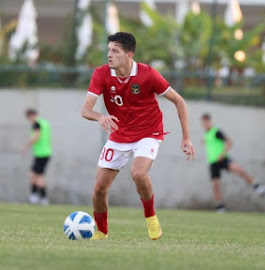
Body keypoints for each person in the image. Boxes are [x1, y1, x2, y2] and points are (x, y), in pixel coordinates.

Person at [81, 32, 195, 240]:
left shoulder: (148, 74)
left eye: (115, 51)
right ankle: (102, 232)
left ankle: (151, 217)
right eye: (109, 50)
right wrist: (100, 117)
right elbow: (85, 111)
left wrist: (186, 137)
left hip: (147, 132)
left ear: (129, 55)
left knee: (139, 173)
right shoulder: (101, 74)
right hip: (118, 135)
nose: (109, 55)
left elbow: (179, 101)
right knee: (99, 189)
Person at [201, 113, 265, 213]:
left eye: (206, 122)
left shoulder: (216, 132)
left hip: (222, 159)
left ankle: (257, 186)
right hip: (213, 162)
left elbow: (229, 142)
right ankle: (220, 208)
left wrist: (222, 154)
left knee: (239, 170)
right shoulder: (206, 134)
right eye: (203, 123)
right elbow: (208, 143)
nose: (205, 124)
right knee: (215, 185)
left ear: (210, 121)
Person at [22, 109, 52, 205]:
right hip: (45, 153)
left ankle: (40, 198)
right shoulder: (45, 123)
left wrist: (26, 145)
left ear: (31, 115)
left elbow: (36, 136)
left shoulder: (37, 124)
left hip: (41, 154)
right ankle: (36, 197)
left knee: (36, 177)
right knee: (36, 176)